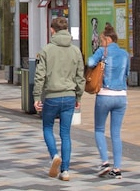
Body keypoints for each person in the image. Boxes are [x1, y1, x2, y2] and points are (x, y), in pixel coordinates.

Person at [33, 16, 84, 181]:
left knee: (47, 127)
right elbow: (80, 77)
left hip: (52, 97)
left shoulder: (46, 50)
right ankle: (66, 170)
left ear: (52, 30)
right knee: (66, 134)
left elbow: (39, 76)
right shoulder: (76, 50)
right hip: (69, 97)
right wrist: (78, 96)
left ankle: (54, 155)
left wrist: (36, 97)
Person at [88, 24, 130, 180]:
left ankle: (105, 162)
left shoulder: (102, 51)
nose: (100, 43)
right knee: (116, 133)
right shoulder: (125, 54)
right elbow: (126, 73)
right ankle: (117, 168)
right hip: (121, 96)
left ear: (107, 39)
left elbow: (90, 63)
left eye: (101, 40)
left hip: (105, 94)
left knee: (99, 129)